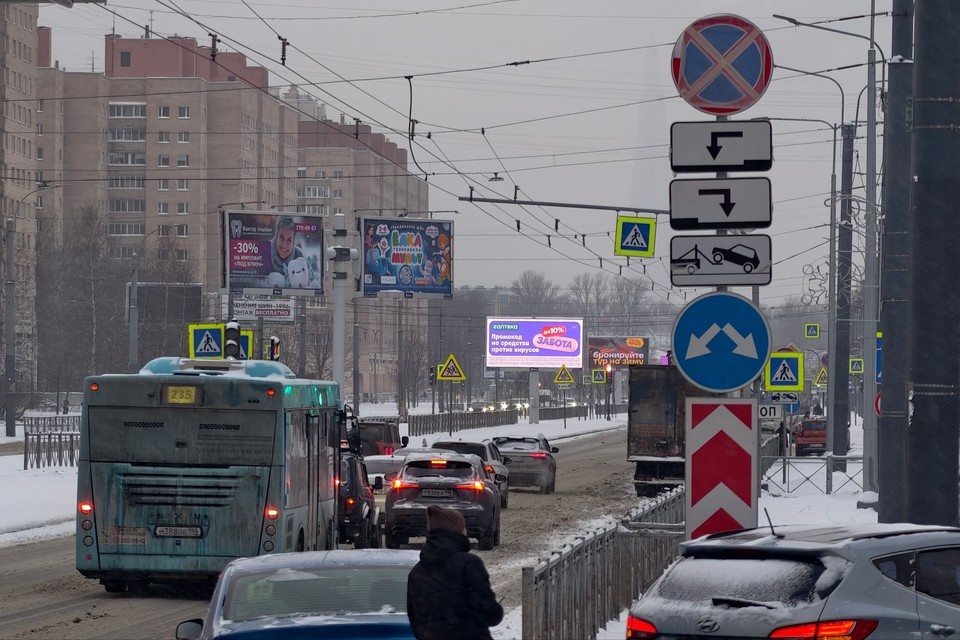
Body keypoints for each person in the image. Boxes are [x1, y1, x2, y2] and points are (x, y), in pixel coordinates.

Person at [407, 505, 503, 640]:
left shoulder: (416, 572)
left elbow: (415, 622)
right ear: (456, 531)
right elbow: (489, 613)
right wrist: (497, 610)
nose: (466, 531)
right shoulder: (468, 564)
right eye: (463, 527)